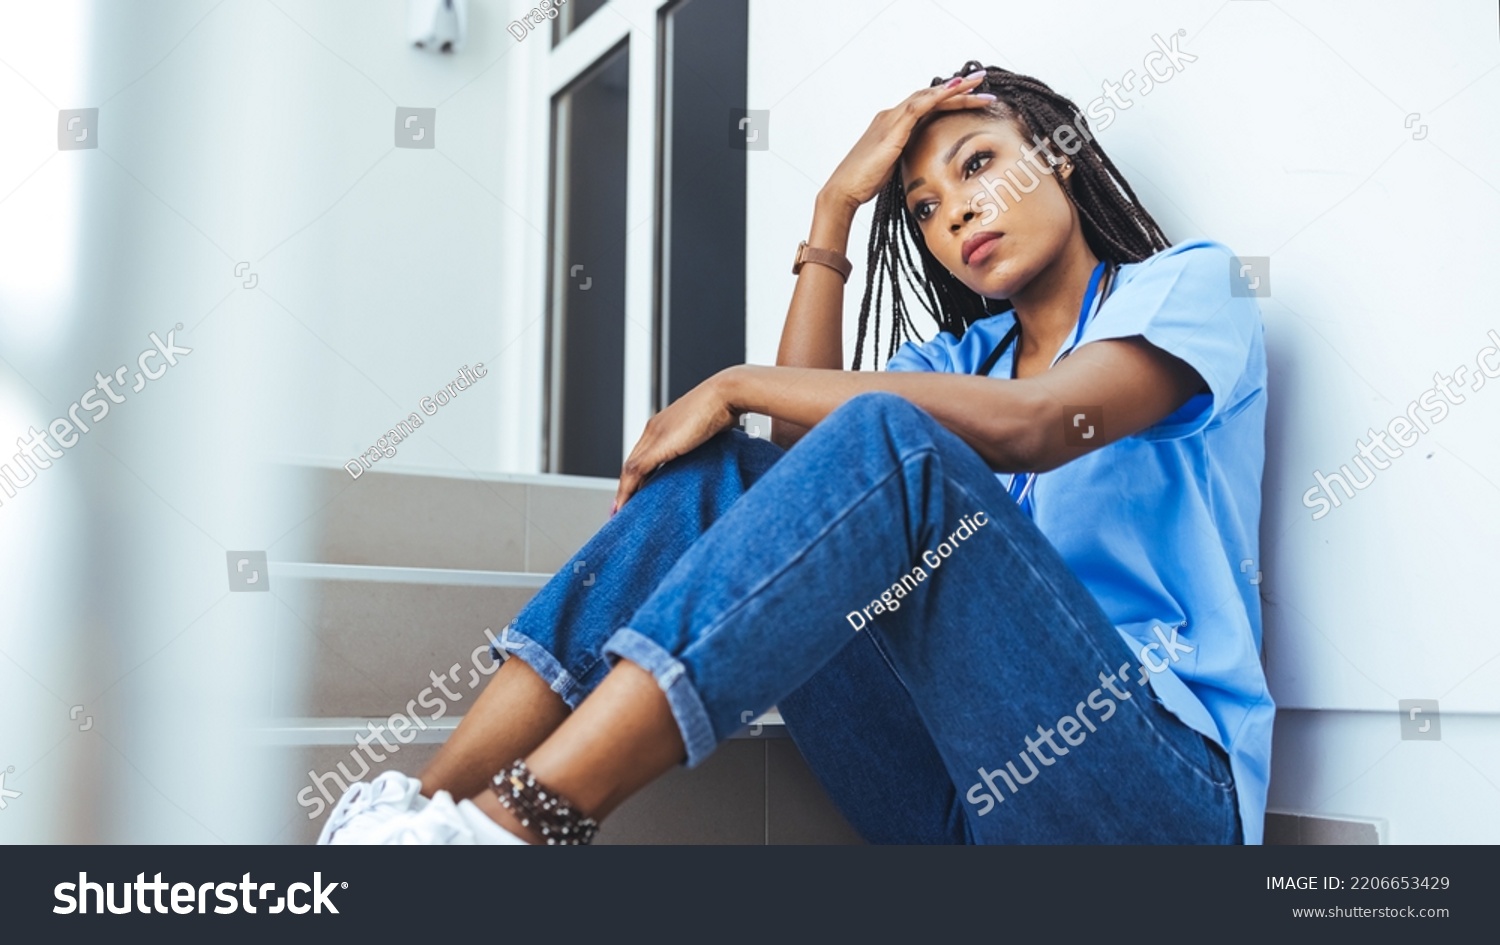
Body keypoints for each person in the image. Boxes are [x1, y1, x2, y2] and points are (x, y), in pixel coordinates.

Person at [317, 59, 1273, 846]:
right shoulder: (961, 359)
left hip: (1152, 795)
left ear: (1060, 159)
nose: (958, 215)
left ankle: (517, 826)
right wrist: (832, 211)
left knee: (886, 440)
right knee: (726, 474)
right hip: (952, 801)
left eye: (980, 165)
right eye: (928, 206)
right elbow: (794, 465)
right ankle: (421, 818)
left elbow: (1040, 422)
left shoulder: (1187, 289)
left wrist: (735, 379)